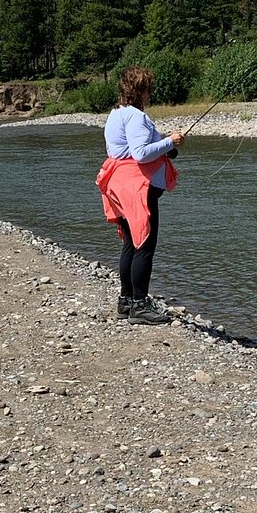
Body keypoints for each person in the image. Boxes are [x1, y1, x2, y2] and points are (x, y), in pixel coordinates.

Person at [96, 66, 184, 325]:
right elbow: (141, 153)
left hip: (119, 187)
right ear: (139, 90)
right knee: (144, 246)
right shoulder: (136, 117)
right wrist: (170, 141)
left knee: (130, 245)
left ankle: (125, 303)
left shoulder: (114, 115)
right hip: (137, 191)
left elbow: (124, 151)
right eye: (148, 88)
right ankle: (139, 306)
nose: (151, 92)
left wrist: (166, 150)